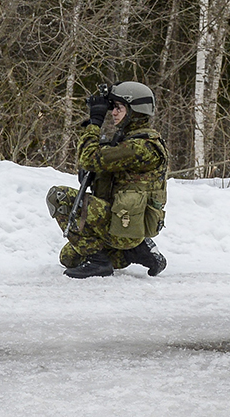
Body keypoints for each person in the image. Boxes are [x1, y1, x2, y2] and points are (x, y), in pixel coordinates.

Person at [46, 81, 168, 278]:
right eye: (113, 107)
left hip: (124, 224)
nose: (113, 113)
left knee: (57, 197)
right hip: (118, 220)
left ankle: (101, 261)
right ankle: (137, 251)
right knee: (68, 258)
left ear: (134, 111)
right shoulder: (127, 140)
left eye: (119, 108)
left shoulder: (141, 147)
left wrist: (94, 123)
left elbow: (88, 158)